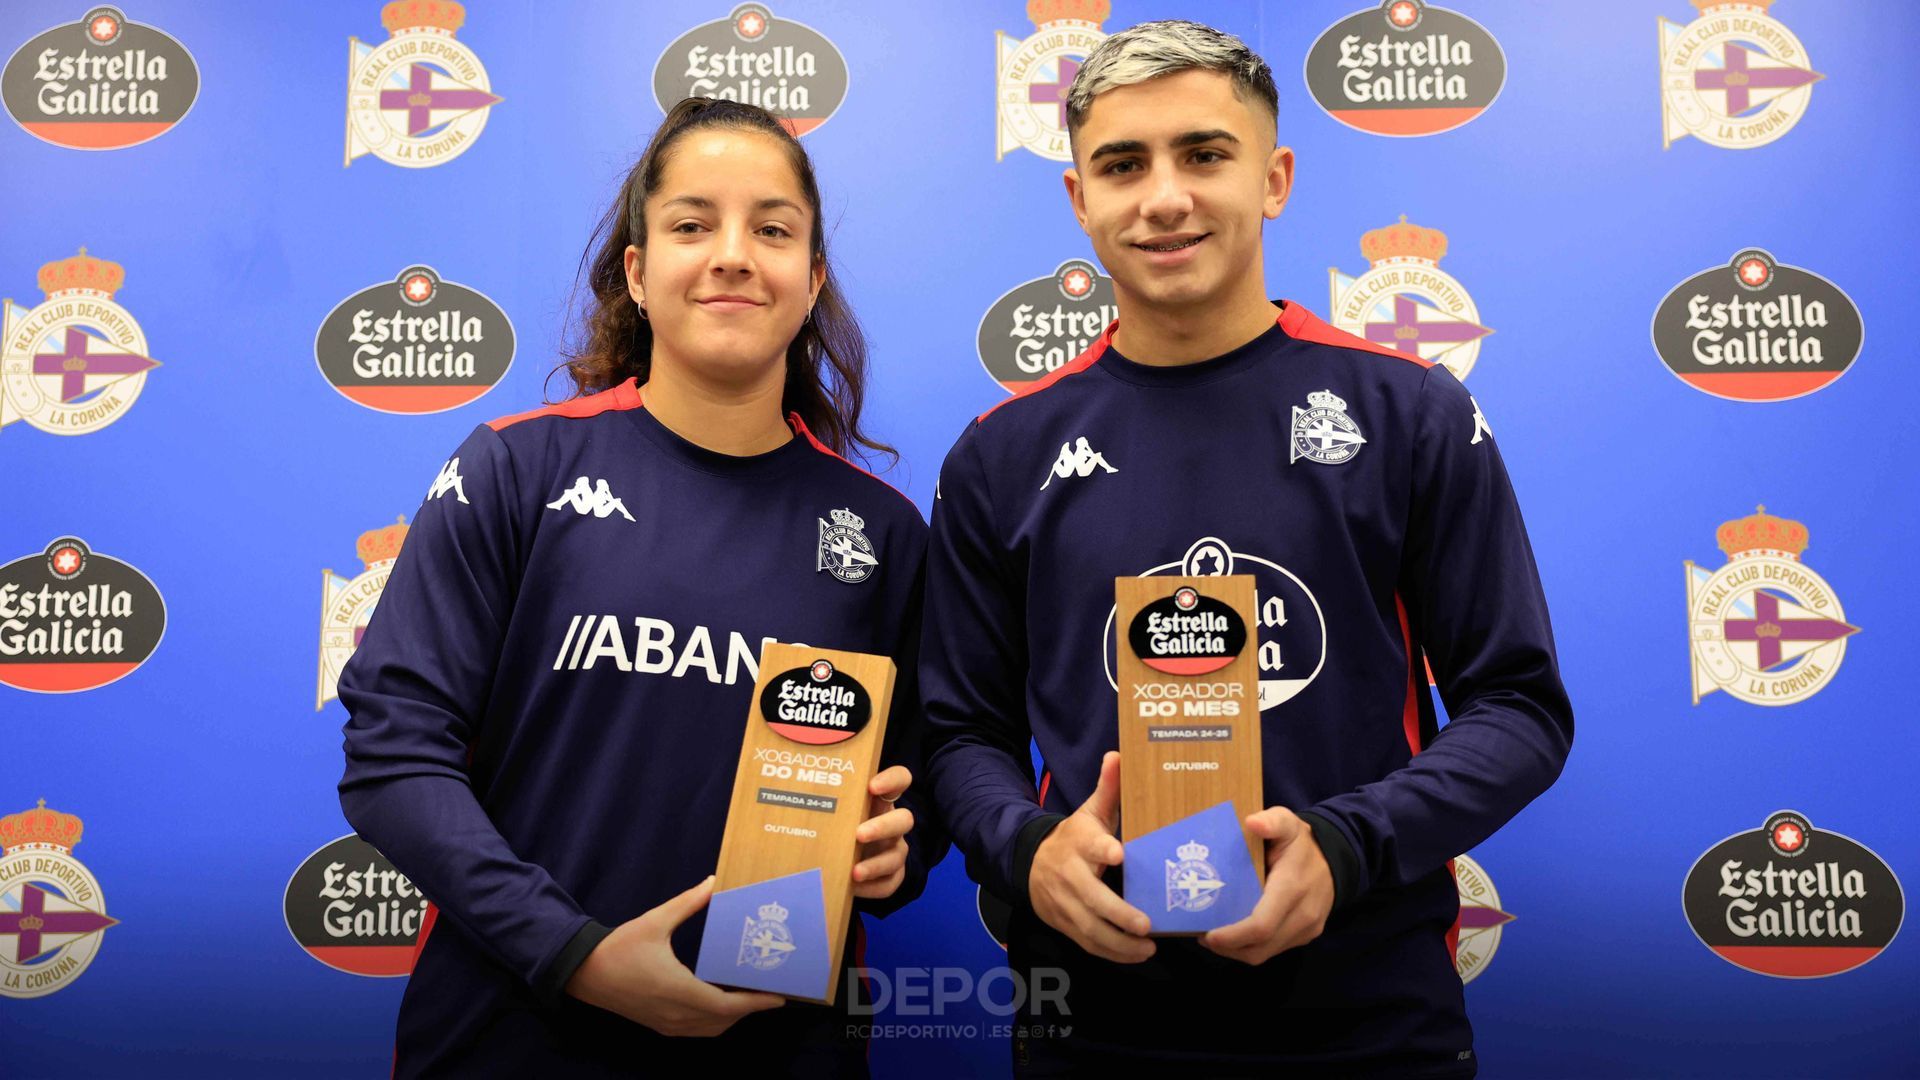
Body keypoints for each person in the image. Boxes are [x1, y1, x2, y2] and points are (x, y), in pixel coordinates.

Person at [920, 21, 1573, 1077]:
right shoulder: (1004, 454)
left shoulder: (1409, 413)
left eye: (1204, 155)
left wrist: (1352, 844)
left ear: (1273, 179)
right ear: (1080, 199)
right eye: (1122, 165)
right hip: (1091, 1024)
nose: (1164, 196)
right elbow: (957, 733)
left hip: (1368, 1023)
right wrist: (1027, 848)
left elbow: (1519, 710)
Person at [337, 97, 939, 1078]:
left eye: (773, 230)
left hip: (779, 1049)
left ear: (812, 276)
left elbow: (921, 804)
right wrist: (573, 954)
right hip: (510, 1039)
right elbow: (392, 761)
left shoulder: (882, 536)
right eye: (693, 224)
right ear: (638, 270)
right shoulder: (517, 469)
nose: (734, 255)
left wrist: (893, 856)